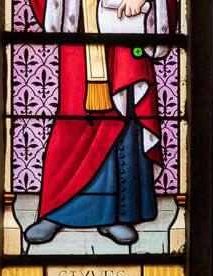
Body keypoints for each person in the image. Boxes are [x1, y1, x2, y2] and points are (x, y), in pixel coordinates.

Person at [22, 0, 175, 245]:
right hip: (79, 36)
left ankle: (118, 215)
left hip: (124, 36)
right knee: (72, 123)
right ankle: (56, 209)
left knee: (124, 121)